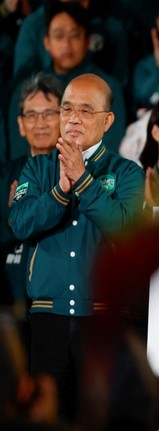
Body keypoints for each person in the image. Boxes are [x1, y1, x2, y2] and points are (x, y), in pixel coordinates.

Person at [9, 73, 145, 421]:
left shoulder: (128, 173)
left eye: (85, 111)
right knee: (48, 420)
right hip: (47, 317)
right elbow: (20, 223)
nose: (72, 118)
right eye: (66, 108)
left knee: (97, 419)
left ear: (108, 120)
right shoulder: (37, 168)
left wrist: (82, 180)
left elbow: (123, 228)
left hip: (101, 317)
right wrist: (60, 190)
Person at [6, 1, 126, 162]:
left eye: (74, 35)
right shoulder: (29, 91)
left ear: (87, 40)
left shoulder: (106, 87)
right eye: (58, 35)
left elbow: (109, 151)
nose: (66, 45)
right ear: (46, 42)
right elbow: (19, 155)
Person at [0, 73, 63, 335]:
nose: (40, 123)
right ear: (20, 125)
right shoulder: (5, 175)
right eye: (32, 115)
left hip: (61, 296)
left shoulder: (76, 172)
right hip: (11, 296)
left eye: (49, 113)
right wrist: (12, 219)